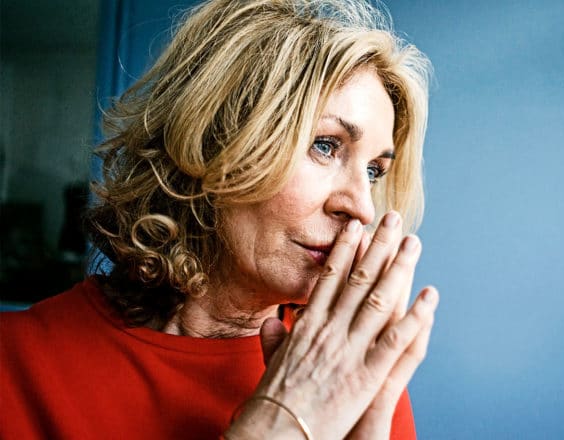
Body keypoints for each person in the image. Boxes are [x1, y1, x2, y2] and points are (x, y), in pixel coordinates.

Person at [0, 0, 438, 438]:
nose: (362, 207)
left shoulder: (351, 370)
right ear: (210, 142)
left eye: (374, 171)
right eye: (325, 145)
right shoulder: (15, 362)